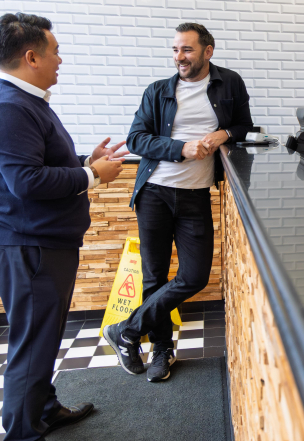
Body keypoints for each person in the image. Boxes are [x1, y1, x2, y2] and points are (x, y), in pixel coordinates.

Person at [0, 13, 127, 441]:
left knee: (43, 337)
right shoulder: (6, 108)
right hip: (28, 247)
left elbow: (38, 161)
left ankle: (43, 410)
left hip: (41, 243)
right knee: (32, 345)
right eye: (55, 51)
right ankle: (22, 440)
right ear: (31, 55)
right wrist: (92, 176)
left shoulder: (25, 101)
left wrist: (82, 161)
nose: (61, 59)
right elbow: (27, 182)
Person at [104, 23, 253, 382]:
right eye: (175, 50)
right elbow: (136, 139)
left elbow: (245, 125)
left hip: (195, 195)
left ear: (207, 51)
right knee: (154, 277)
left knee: (194, 276)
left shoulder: (229, 83)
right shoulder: (157, 91)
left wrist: (224, 133)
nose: (179, 57)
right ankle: (161, 350)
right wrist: (180, 149)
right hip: (154, 193)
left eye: (186, 50)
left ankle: (125, 331)